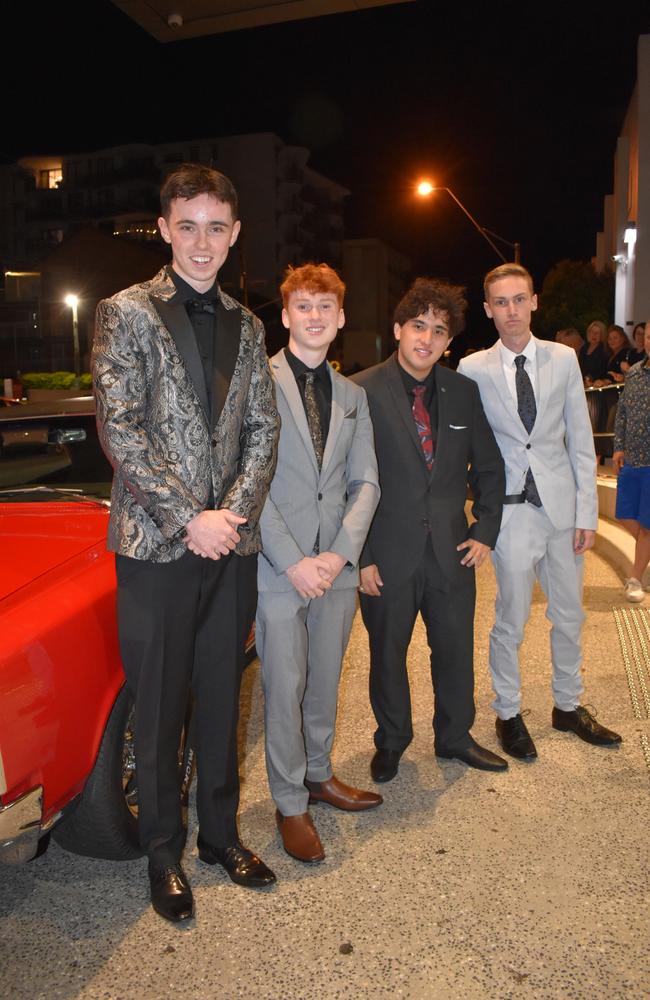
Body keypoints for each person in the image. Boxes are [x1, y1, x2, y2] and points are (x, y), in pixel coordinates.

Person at [92, 164, 280, 923]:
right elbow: (120, 427)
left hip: (227, 549)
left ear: (235, 234)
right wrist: (188, 518)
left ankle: (221, 836)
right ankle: (163, 852)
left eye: (217, 227)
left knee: (221, 702)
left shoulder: (250, 322)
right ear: (165, 230)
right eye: (188, 226)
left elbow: (262, 433)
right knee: (161, 706)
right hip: (156, 551)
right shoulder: (125, 311)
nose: (203, 242)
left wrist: (229, 518)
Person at [458, 263, 622, 760]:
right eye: (500, 302)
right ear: (488, 310)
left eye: (519, 299)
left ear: (534, 302)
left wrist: (587, 515)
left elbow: (578, 440)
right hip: (509, 515)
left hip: (561, 510)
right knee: (510, 619)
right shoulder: (473, 369)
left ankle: (567, 706)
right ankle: (507, 712)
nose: (511, 310)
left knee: (570, 615)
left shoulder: (563, 360)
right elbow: (468, 448)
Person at [353, 278, 507, 783]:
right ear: (398, 329)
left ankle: (455, 737)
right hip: (386, 553)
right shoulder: (361, 390)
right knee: (388, 656)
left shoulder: (463, 392)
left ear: (448, 342)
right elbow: (343, 482)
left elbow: (489, 467)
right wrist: (361, 556)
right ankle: (392, 740)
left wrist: (484, 530)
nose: (427, 338)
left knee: (455, 651)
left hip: (451, 551)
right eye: (418, 325)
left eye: (439, 331)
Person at [256, 263, 381, 863]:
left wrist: (338, 555)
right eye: (302, 306)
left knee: (326, 678)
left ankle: (319, 774)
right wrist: (292, 562)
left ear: (340, 318)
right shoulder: (256, 380)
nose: (314, 316)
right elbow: (245, 483)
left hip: (337, 566)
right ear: (284, 316)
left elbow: (367, 484)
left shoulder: (353, 395)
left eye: (324, 307)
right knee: (284, 685)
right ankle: (288, 803)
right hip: (279, 568)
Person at [613, 320, 650, 603]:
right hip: (632, 459)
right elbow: (623, 413)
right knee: (624, 515)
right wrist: (618, 448)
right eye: (649, 336)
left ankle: (635, 577)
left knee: (647, 524)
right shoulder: (635, 373)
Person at [579, 320, 609, 385]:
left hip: (596, 384)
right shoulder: (584, 348)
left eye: (597, 333)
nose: (594, 335)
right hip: (582, 382)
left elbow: (601, 370)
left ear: (602, 335)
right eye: (592, 332)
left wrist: (589, 378)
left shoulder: (604, 350)